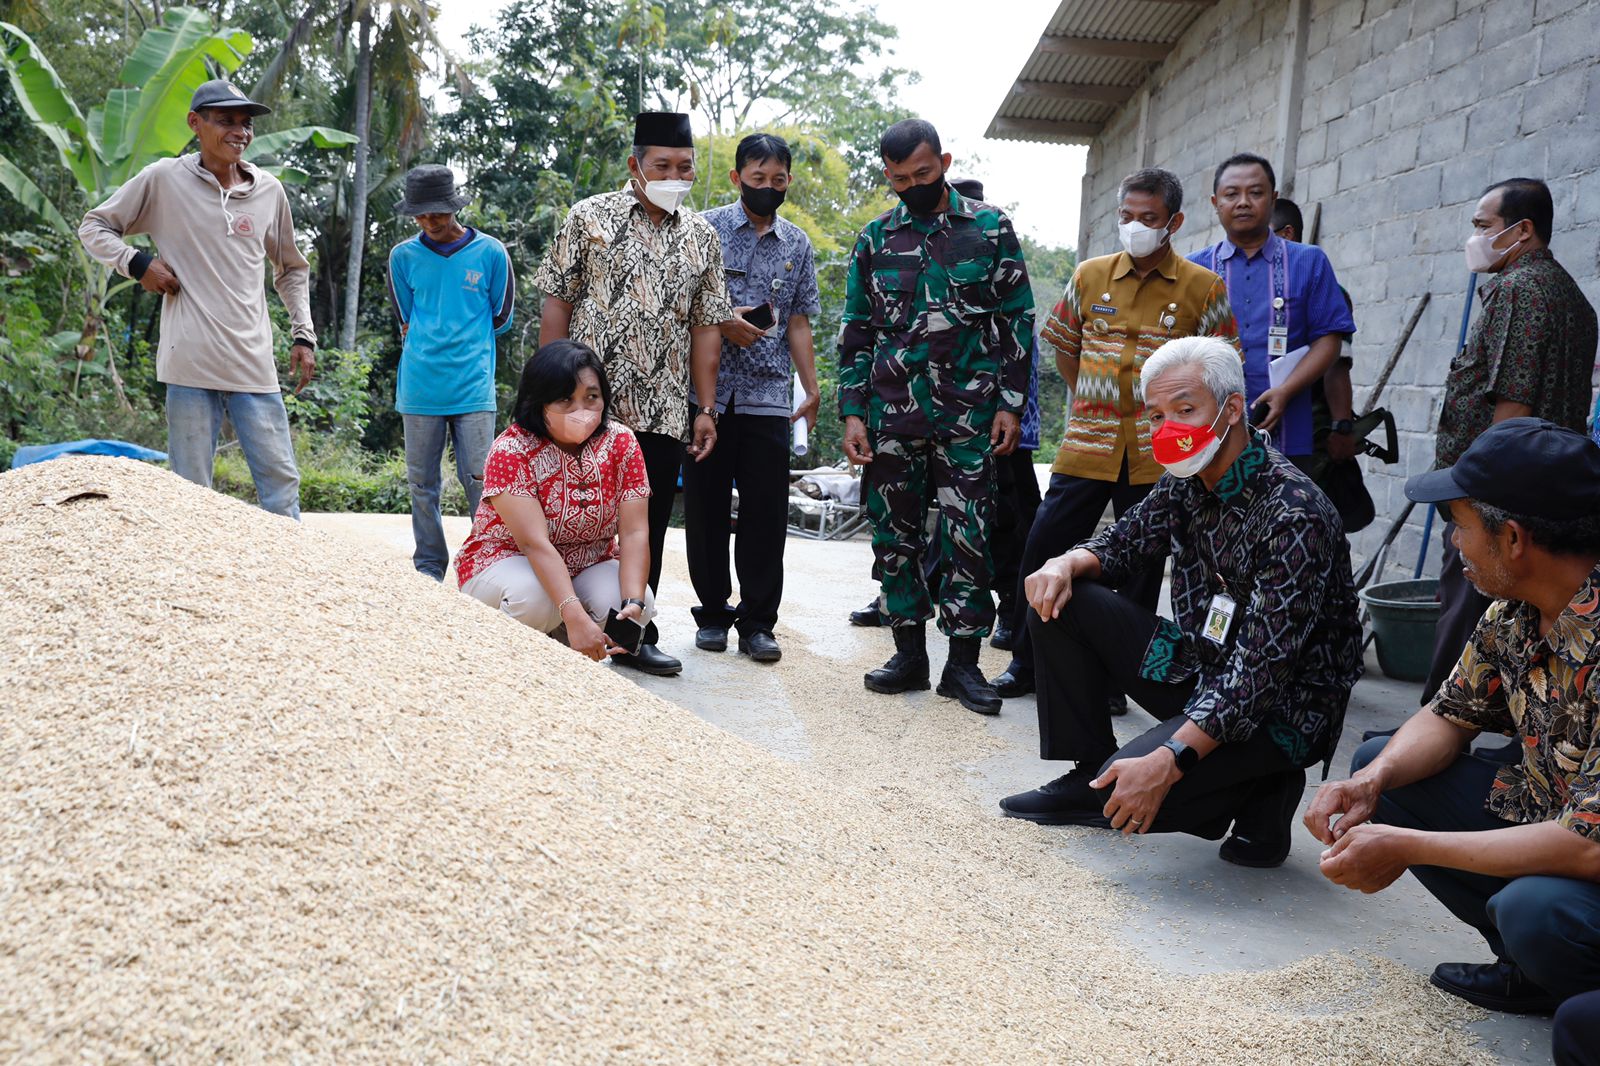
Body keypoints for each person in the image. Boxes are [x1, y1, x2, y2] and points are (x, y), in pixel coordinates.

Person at [1001, 336, 1363, 868]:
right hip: (1204, 667)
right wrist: (1065, 562)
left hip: (1282, 707)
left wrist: (1168, 760)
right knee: (1060, 594)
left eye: (1186, 409)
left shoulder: (1294, 514)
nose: (1168, 428)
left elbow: (1261, 672)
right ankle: (1089, 769)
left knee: (1122, 797)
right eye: (1156, 416)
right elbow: (1120, 544)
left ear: (1232, 409)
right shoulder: (1186, 482)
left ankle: (1262, 787)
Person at [1307, 418, 1600, 1015]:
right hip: (1552, 813)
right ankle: (1528, 967)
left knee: (1537, 911)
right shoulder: (1516, 611)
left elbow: (1588, 847)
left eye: (1459, 526)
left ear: (1513, 538)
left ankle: (1574, 990)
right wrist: (1371, 783)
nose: (1453, 543)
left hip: (1586, 845)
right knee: (1381, 767)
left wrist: (1408, 845)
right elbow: (1449, 715)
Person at [993, 167, 1239, 702]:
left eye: (1148, 219)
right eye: (1126, 217)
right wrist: (1091, 393)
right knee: (1045, 545)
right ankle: (1023, 662)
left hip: (1160, 454)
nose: (1135, 227)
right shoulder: (1089, 276)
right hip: (1088, 443)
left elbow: (1223, 366)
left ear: (1173, 221)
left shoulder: (1204, 288)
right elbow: (1063, 344)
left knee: (1140, 570)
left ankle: (1113, 678)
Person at [838, 120, 1034, 715]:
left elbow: (1017, 320)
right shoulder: (875, 239)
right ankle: (908, 656)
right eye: (900, 179)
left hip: (970, 416)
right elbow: (857, 331)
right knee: (893, 537)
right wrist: (853, 414)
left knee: (969, 536)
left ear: (944, 161)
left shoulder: (990, 228)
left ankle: (964, 666)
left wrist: (1010, 405)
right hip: (893, 415)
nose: (913, 186)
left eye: (923, 174)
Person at [534, 111, 733, 677]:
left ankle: (634, 632)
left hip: (665, 407)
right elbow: (557, 302)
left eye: (685, 168)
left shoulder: (702, 236)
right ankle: (559, 619)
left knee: (643, 523)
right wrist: (547, 392)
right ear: (635, 166)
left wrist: (706, 407)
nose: (675, 176)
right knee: (567, 510)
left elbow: (707, 329)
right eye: (662, 166)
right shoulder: (589, 217)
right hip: (585, 407)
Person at [77, 79, 316, 518]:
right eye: (225, 121)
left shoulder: (268, 191)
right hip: (189, 363)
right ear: (195, 123)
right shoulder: (165, 179)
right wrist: (136, 263)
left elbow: (291, 268)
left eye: (245, 124)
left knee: (281, 485)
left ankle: (285, 583)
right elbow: (94, 226)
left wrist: (304, 334)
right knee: (191, 491)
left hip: (253, 363)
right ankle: (195, 585)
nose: (239, 132)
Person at [1419, 178, 1599, 704]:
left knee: (1465, 600)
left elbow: (1512, 401)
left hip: (1499, 493)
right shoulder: (1573, 296)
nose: (1473, 238)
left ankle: (1437, 713)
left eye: (1482, 227)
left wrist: (1481, 496)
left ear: (1521, 231)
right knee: (1524, 616)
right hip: (1548, 495)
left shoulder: (1520, 290)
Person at [685, 133, 821, 664]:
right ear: (737, 177)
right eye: (758, 178)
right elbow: (685, 303)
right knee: (706, 508)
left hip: (769, 396)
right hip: (707, 397)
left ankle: (759, 623)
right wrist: (724, 321)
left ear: (788, 181)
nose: (768, 188)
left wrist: (811, 388)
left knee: (766, 514)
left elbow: (799, 321)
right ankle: (713, 615)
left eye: (778, 180)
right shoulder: (705, 230)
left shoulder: (798, 244)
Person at [456, 340, 656, 660]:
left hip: (588, 561)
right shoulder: (512, 449)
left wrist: (635, 601)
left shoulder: (621, 442)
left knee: (630, 603)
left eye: (591, 397)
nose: (582, 411)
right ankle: (499, 658)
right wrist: (573, 613)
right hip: (505, 559)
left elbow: (634, 532)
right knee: (535, 601)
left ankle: (563, 649)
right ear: (539, 402)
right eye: (565, 399)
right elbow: (535, 544)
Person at [386, 164, 515, 581]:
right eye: (420, 216)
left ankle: (486, 565)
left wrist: (466, 340)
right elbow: (406, 317)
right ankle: (428, 566)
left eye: (436, 213)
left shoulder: (491, 253)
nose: (429, 222)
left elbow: (502, 315)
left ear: (453, 207)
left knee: (482, 481)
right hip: (420, 385)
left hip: (472, 387)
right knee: (422, 484)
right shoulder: (402, 257)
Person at [1188, 153, 1355, 466]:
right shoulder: (1193, 269)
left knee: (1284, 515)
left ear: (1273, 198)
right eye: (1231, 194)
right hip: (1208, 435)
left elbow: (1330, 340)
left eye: (1255, 192)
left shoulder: (1309, 262)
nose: (1243, 202)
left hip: (1289, 433)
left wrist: (1286, 391)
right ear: (1215, 202)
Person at [1270, 196, 1371, 533]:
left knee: (1306, 518)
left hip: (1309, 429)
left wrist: (1342, 428)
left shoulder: (1321, 287)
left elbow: (1336, 366)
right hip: (1264, 424)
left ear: (1287, 234)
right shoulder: (1259, 283)